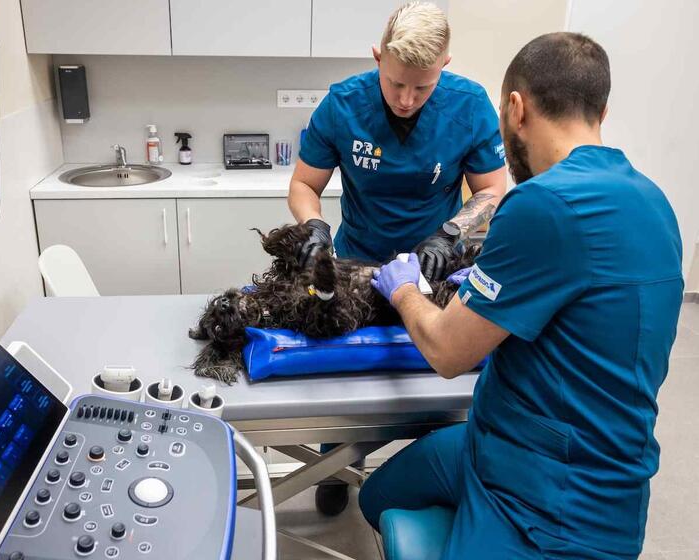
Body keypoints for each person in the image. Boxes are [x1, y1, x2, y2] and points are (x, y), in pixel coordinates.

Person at [363, 32, 683, 559]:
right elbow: (584, 296)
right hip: (510, 443)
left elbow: (446, 352)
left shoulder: (541, 203)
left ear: (515, 108)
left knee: (388, 503)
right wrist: (495, 284)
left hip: (549, 499)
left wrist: (404, 290)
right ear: (601, 111)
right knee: (377, 494)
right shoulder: (655, 203)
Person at [289, 1, 507, 514]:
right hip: (358, 261)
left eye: (422, 88)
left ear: (444, 67)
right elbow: (304, 184)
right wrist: (313, 225)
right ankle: (336, 467)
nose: (407, 99)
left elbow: (493, 189)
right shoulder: (343, 104)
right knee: (347, 377)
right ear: (377, 58)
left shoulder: (469, 106)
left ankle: (428, 472)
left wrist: (451, 233)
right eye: (395, 83)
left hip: (434, 266)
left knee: (432, 372)